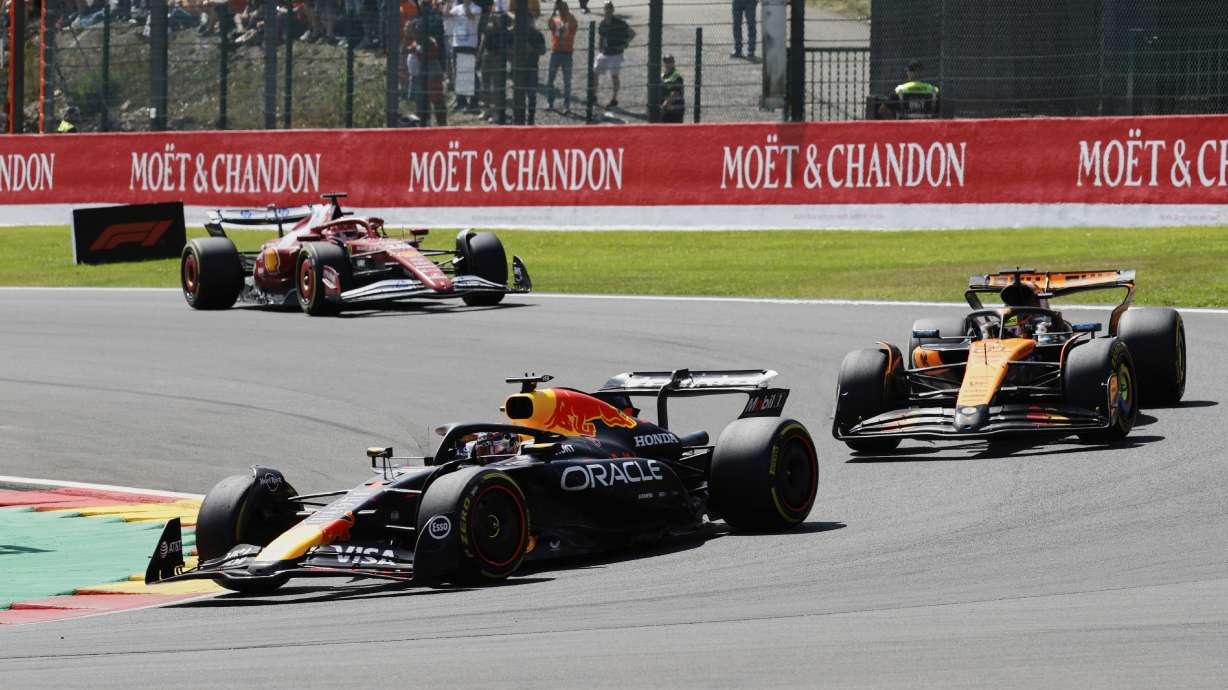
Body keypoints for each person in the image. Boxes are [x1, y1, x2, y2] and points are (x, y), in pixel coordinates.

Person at [407, 17, 448, 126]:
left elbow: (430, 54)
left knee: (437, 101)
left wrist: (416, 49)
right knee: (422, 104)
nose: (414, 33)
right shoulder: (415, 43)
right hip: (420, 77)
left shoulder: (430, 41)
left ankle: (442, 126)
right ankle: (425, 125)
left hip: (432, 75)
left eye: (416, 30)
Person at [593, 1, 632, 109]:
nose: (607, 11)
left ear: (612, 10)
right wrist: (600, 47)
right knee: (595, 72)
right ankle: (594, 95)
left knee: (614, 76)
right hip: (605, 52)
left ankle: (614, 98)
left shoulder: (619, 23)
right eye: (606, 8)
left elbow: (631, 33)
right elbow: (601, 36)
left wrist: (624, 44)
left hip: (616, 54)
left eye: (609, 8)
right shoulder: (603, 23)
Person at [478, 11, 511, 123]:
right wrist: (479, 55)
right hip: (487, 55)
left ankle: (497, 112)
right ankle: (486, 110)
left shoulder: (505, 30)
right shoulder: (488, 28)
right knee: (485, 84)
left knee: (497, 87)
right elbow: (483, 41)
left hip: (499, 57)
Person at [512, 17, 547, 124]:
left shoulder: (537, 35)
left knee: (531, 94)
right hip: (519, 68)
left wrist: (531, 49)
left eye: (528, 21)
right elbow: (508, 49)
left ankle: (531, 118)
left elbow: (543, 51)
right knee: (518, 94)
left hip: (531, 67)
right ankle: (518, 118)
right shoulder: (515, 33)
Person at [449, 0, 481, 111]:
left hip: (469, 44)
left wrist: (466, 5)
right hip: (457, 44)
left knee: (469, 72)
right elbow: (445, 14)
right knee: (458, 72)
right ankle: (461, 101)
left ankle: (474, 101)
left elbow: (471, 16)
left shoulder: (476, 8)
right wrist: (447, 3)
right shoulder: (457, 8)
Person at [545, 0, 576, 112]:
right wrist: (554, 11)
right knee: (550, 80)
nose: (561, 10)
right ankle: (550, 102)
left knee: (567, 81)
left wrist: (565, 11)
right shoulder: (557, 19)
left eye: (563, 7)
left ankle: (566, 105)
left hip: (567, 53)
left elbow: (572, 24)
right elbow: (549, 24)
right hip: (556, 52)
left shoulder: (571, 19)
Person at [659, 54, 684, 123]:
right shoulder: (662, 74)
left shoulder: (676, 77)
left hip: (674, 112)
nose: (667, 64)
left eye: (669, 62)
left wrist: (663, 107)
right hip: (665, 111)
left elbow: (674, 94)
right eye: (665, 62)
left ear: (673, 63)